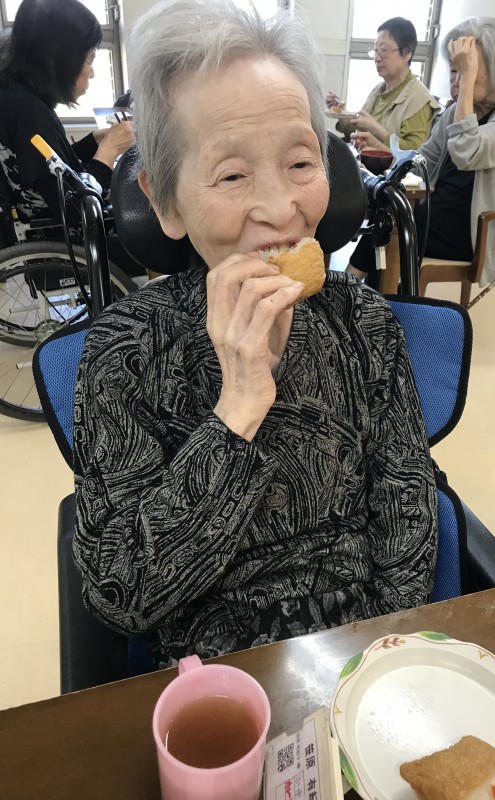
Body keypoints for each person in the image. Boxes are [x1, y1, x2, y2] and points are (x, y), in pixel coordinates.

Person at [72, 0, 438, 666]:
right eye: (233, 175)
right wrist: (238, 406)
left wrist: (383, 669)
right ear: (165, 201)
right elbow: (119, 595)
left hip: (363, 660)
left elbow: (407, 524)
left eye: (300, 163)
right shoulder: (125, 347)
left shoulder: (363, 323)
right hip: (216, 683)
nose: (280, 209)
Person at [349, 16, 495, 287]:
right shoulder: (459, 110)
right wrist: (387, 161)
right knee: (387, 213)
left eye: (465, 71)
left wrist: (465, 88)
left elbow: (467, 151)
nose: (456, 82)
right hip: (437, 208)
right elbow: (423, 161)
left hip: (478, 231)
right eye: (453, 70)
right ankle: (363, 296)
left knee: (395, 224)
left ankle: (349, 292)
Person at [0, 0, 138, 271]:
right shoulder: (30, 113)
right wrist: (109, 151)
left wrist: (94, 142)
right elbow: (74, 209)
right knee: (159, 227)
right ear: (58, 59)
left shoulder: (15, 100)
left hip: (42, 229)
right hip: (70, 239)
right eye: (89, 60)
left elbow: (51, 169)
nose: (93, 72)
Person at [327, 17, 439, 152]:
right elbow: (358, 131)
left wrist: (375, 128)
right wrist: (341, 114)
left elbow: (413, 153)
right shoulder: (379, 90)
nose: (377, 58)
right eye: (376, 50)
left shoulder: (418, 99)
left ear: (407, 53)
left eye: (384, 50)